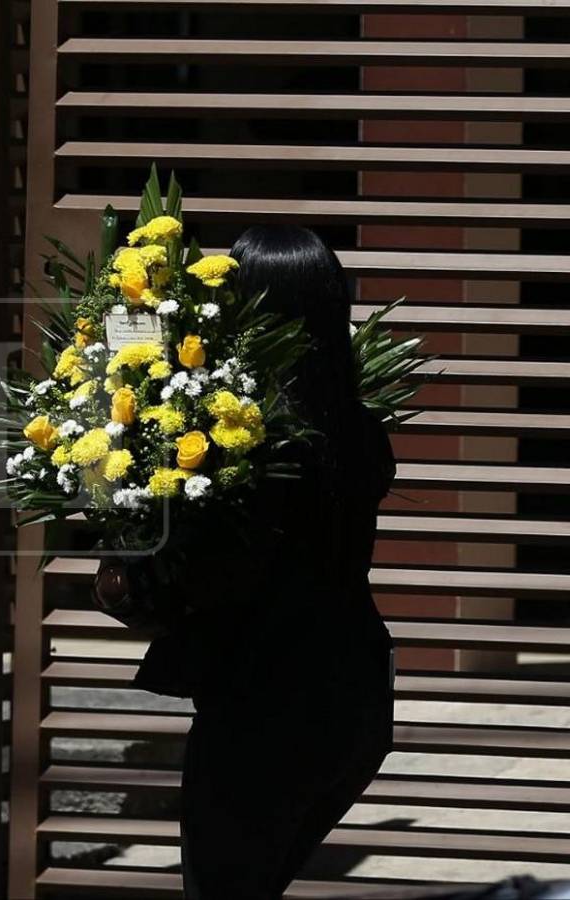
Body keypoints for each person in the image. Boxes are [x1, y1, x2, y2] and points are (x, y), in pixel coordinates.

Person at [96, 225, 397, 899]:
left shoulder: (258, 449)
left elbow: (220, 578)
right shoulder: (356, 428)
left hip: (267, 709)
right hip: (354, 700)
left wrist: (123, 582)